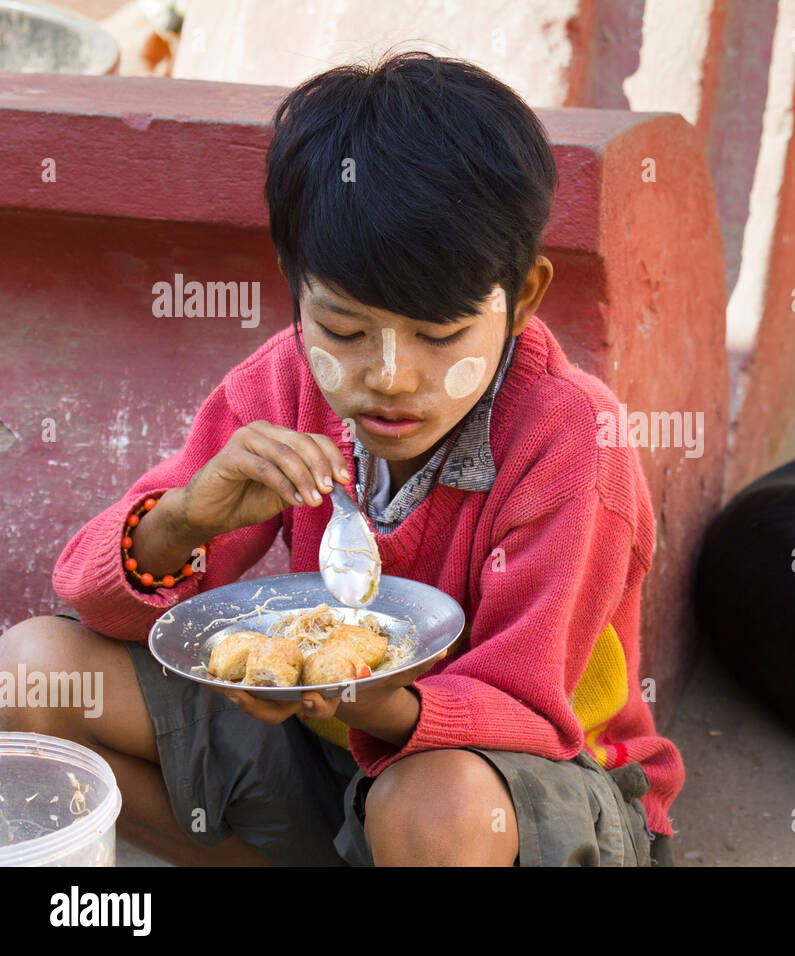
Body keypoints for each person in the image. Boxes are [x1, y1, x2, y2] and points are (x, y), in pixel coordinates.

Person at [0, 52, 683, 867]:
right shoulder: (283, 383)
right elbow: (93, 601)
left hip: (526, 789)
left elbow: (527, 705)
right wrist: (186, 517)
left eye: (438, 337)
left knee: (431, 808)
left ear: (523, 296)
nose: (390, 377)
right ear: (296, 291)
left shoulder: (572, 442)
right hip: (328, 748)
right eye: (346, 331)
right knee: (29, 675)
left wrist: (367, 699)